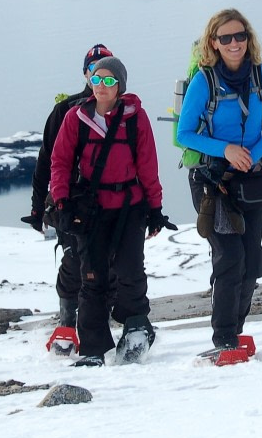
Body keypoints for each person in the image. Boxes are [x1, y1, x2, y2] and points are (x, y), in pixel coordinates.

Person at [49, 56, 173, 367]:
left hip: (130, 207)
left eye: (108, 80)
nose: (101, 85)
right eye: (96, 79)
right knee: (92, 277)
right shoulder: (75, 118)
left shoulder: (136, 118)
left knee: (130, 270)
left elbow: (148, 165)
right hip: (92, 210)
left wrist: (155, 208)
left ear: (120, 85)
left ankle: (136, 327)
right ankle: (93, 347)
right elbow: (60, 162)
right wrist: (61, 201)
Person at [176, 9, 262, 357]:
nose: (234, 43)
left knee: (252, 260)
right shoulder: (203, 82)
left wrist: (250, 155)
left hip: (249, 179)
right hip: (211, 181)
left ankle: (235, 331)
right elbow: (184, 134)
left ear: (248, 39)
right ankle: (223, 337)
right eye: (226, 38)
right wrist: (226, 149)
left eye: (240, 36)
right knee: (229, 257)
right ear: (214, 43)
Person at [21, 44, 113, 343]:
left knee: (108, 261)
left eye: (104, 69)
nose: (98, 76)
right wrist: (38, 209)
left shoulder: (124, 110)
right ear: (86, 74)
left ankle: (98, 320)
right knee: (74, 260)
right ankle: (67, 319)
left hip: (113, 202)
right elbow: (47, 161)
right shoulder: (65, 110)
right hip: (71, 202)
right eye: (93, 69)